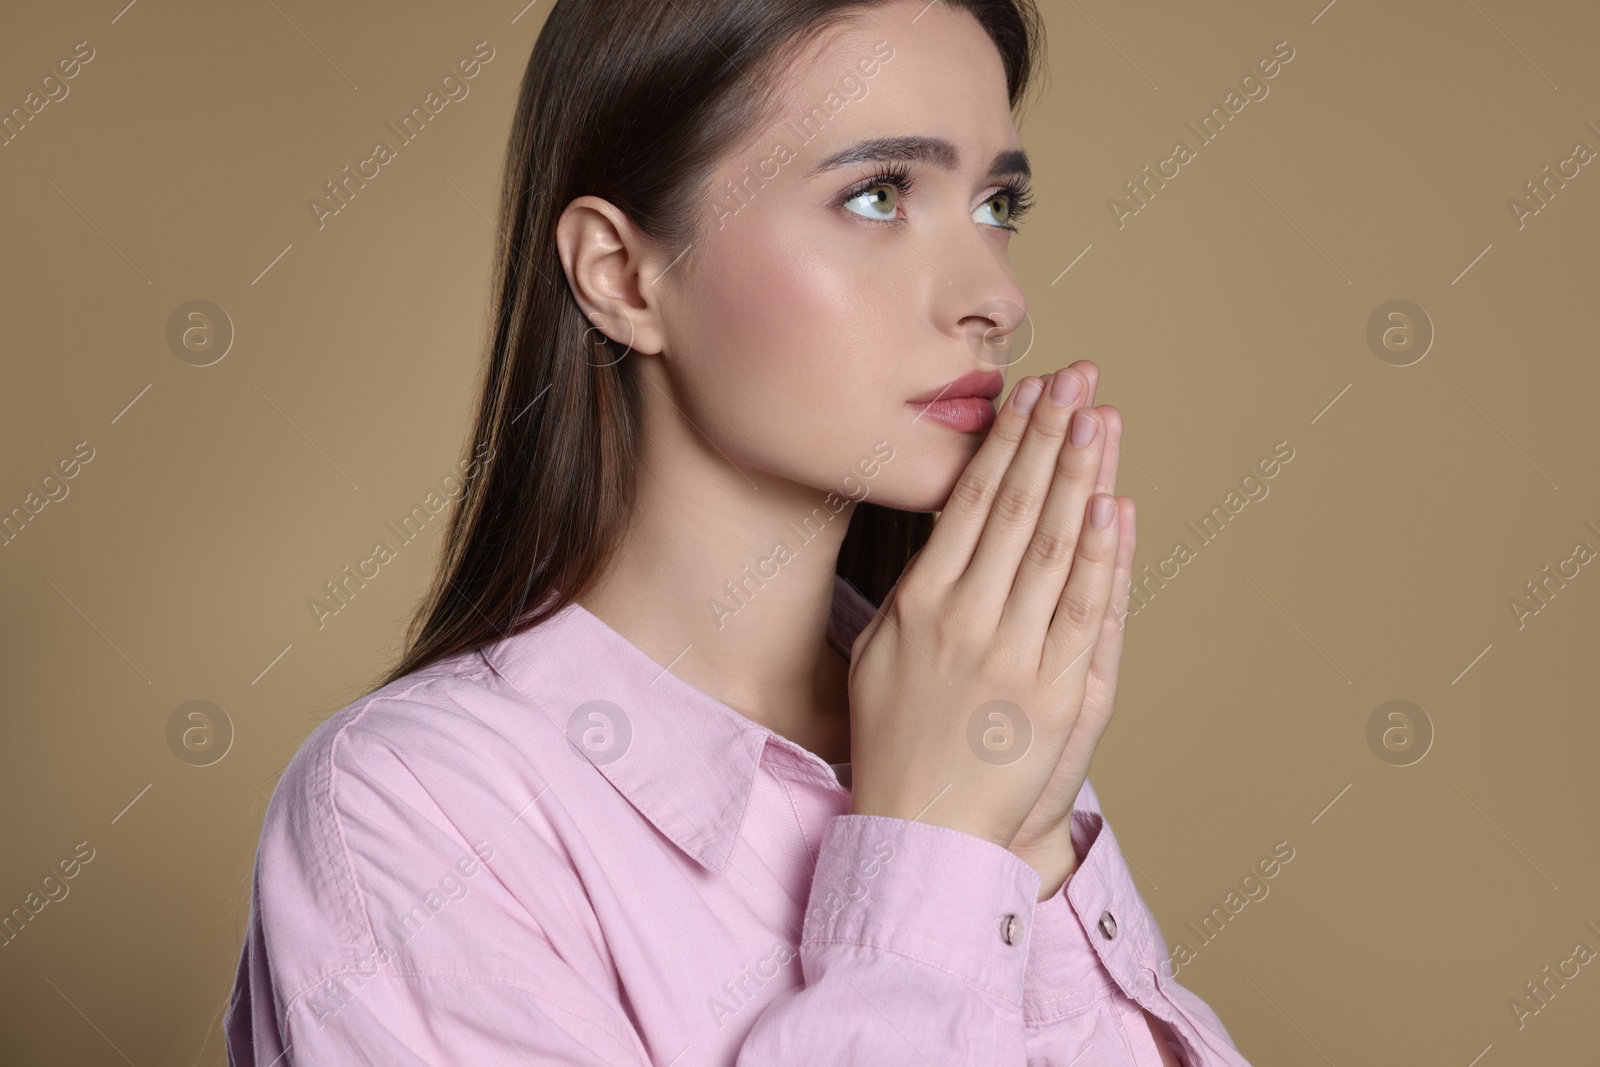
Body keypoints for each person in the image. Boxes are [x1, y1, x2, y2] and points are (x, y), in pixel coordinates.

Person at [223, 0, 1256, 1062]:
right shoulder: (415, 808)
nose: (997, 296)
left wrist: (1025, 835)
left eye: (998, 204)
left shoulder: (966, 719)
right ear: (622, 276)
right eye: (878, 194)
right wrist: (934, 849)